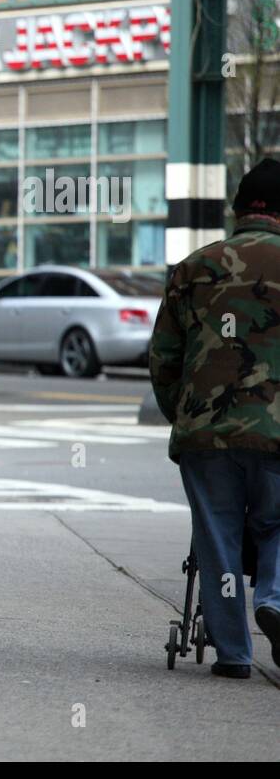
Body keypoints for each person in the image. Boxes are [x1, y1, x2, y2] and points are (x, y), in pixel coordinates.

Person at [149, 157, 280, 679]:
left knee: (218, 535)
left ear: (237, 209)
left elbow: (164, 360)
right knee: (276, 525)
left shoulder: (194, 268)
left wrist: (183, 415)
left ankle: (233, 654)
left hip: (207, 433)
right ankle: (274, 598)